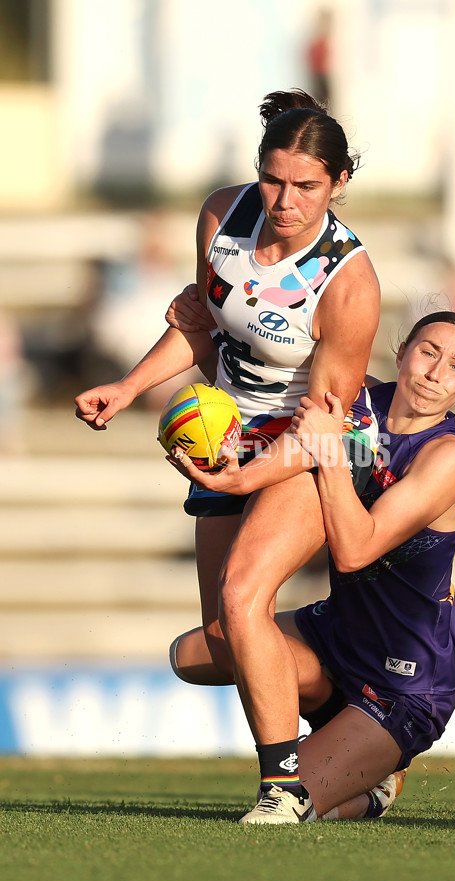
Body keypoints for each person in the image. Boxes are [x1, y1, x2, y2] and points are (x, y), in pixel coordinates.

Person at [74, 90, 380, 817]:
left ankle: (283, 787)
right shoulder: (221, 214)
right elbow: (202, 325)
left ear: (338, 184)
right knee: (218, 640)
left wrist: (249, 474)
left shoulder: (349, 283)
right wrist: (127, 386)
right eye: (273, 179)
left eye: (306, 186)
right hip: (232, 436)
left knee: (245, 597)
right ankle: (357, 720)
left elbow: (324, 427)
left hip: (318, 447)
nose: (285, 200)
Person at [169, 310, 455, 823]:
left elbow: (355, 549)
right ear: (402, 352)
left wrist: (328, 449)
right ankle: (332, 713)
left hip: (404, 681)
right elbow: (263, 377)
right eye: (427, 352)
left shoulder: (448, 458)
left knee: (287, 810)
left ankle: (372, 791)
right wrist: (205, 324)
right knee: (193, 653)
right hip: (338, 632)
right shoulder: (359, 399)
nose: (434, 373)